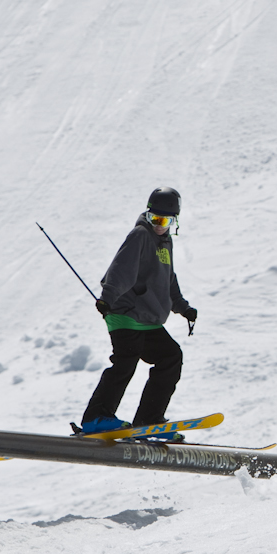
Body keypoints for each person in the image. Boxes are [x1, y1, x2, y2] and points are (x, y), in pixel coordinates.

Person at [80, 187, 200, 438]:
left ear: (174, 221)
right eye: (154, 218)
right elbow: (122, 269)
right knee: (126, 361)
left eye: (165, 221)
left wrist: (182, 307)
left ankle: (148, 420)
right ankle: (96, 418)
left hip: (147, 319)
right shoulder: (140, 236)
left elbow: (168, 279)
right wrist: (107, 299)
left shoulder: (166, 242)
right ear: (148, 214)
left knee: (170, 357)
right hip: (124, 312)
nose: (159, 225)